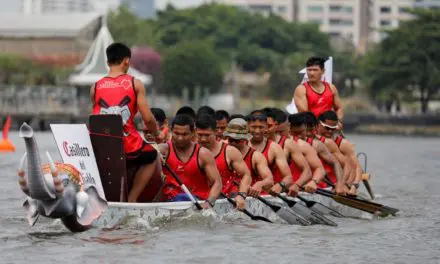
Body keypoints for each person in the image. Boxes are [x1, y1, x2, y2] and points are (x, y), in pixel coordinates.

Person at [90, 43, 160, 203]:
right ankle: (132, 199)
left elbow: (96, 116)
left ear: (108, 62)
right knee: (151, 155)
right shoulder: (135, 83)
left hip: (100, 143)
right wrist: (156, 133)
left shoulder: (95, 87)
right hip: (126, 144)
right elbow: (148, 119)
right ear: (127, 61)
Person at [157, 114, 222, 209]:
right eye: (177, 133)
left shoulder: (203, 154)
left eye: (184, 134)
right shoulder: (161, 150)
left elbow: (217, 182)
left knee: (181, 198)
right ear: (171, 130)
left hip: (197, 202)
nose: (180, 138)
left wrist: (209, 202)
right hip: (169, 203)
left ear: (193, 133)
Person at [195, 115, 251, 209]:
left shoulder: (230, 151)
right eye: (200, 135)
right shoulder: (189, 150)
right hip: (197, 200)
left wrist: (241, 195)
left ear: (216, 132)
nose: (203, 139)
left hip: (223, 200)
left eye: (207, 135)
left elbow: (246, 175)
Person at [223, 118, 274, 197]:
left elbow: (270, 180)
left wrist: (260, 184)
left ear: (245, 139)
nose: (233, 143)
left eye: (237, 141)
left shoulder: (256, 156)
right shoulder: (221, 150)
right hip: (224, 198)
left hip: (247, 199)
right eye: (231, 140)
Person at [317, 110, 362, 194]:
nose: (330, 131)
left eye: (333, 129)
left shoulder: (343, 144)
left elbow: (356, 167)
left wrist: (353, 185)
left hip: (336, 182)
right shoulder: (312, 140)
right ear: (318, 125)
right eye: (327, 128)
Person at [247, 114, 293, 195]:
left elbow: (288, 177)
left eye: (261, 127)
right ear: (248, 127)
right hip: (242, 194)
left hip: (266, 195)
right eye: (254, 127)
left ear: (266, 127)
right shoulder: (241, 144)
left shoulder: (274, 148)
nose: (257, 131)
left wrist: (280, 185)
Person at [302, 112, 346, 194]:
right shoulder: (290, 143)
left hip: (321, 186)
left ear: (316, 127)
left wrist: (341, 184)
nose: (307, 134)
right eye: (327, 128)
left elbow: (346, 164)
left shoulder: (324, 143)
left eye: (310, 130)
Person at [293, 57, 344, 128]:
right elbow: (304, 114)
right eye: (309, 70)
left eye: (315, 70)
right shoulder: (301, 89)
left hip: (329, 128)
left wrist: (338, 121)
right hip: (310, 128)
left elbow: (339, 108)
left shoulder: (331, 87)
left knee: (345, 140)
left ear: (323, 71)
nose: (312, 73)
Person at [288, 113, 327, 194]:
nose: (298, 136)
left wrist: (314, 181)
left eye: (301, 132)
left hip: (306, 189)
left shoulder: (316, 145)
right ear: (288, 129)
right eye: (295, 133)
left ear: (305, 128)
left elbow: (322, 168)